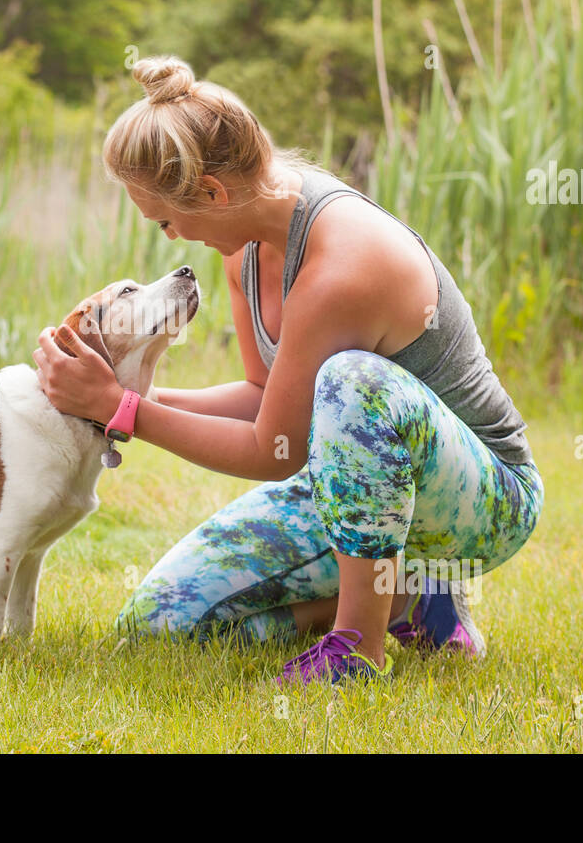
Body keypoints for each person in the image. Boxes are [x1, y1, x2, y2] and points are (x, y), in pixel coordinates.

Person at [32, 56, 544, 685]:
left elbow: (271, 451)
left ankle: (358, 645)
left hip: (480, 500)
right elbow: (262, 398)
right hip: (356, 489)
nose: (170, 238)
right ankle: (414, 598)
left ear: (215, 193)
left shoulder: (341, 268)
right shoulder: (243, 247)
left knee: (352, 382)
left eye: (166, 220)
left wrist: (122, 411)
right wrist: (111, 397)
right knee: (157, 623)